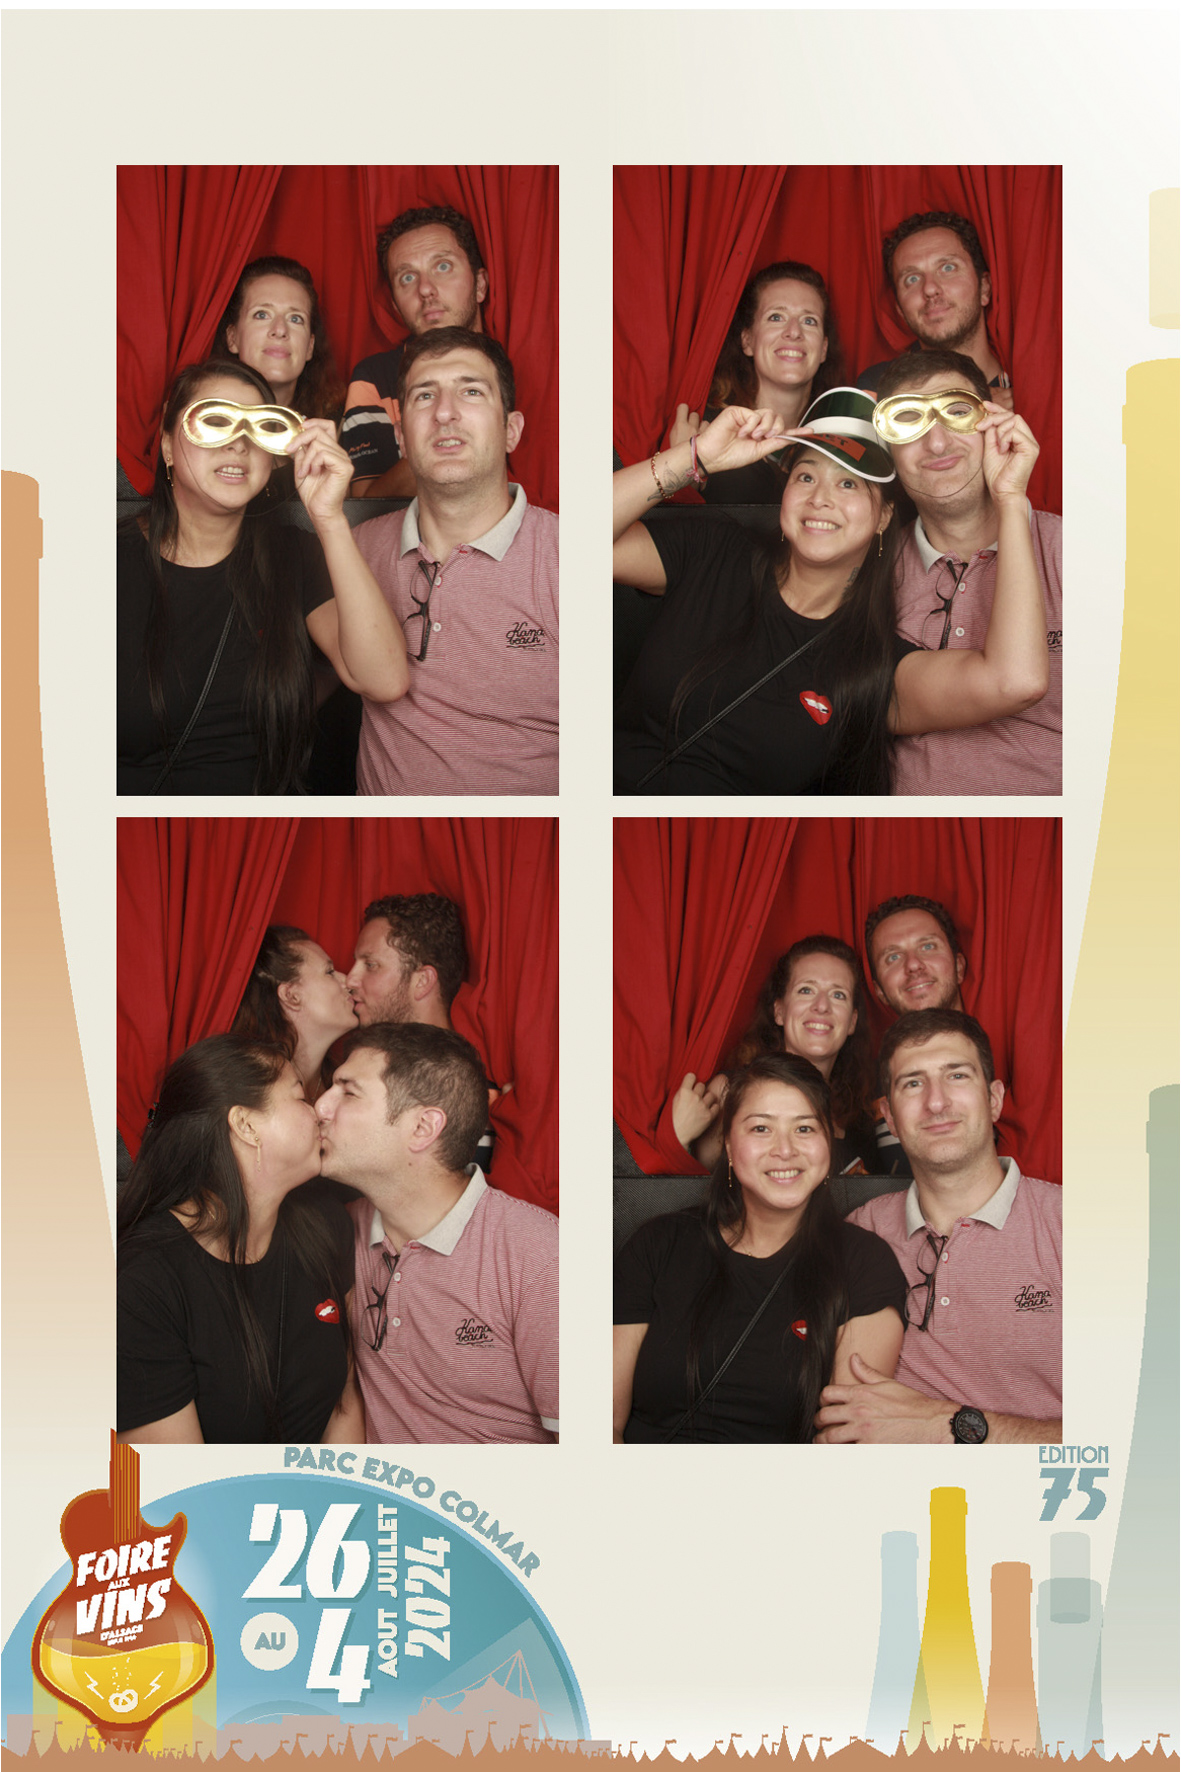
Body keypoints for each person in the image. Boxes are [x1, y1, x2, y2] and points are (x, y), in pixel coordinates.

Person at [613, 386, 1048, 795]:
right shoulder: (715, 551)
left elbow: (1016, 682)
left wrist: (1010, 499)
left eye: (849, 483)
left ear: (883, 517)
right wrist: (696, 457)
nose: (820, 497)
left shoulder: (874, 669)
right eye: (806, 476)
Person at [117, 359, 409, 795]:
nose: (238, 444)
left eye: (260, 429)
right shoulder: (104, 561)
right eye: (216, 421)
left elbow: (384, 680)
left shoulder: (295, 554)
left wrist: (329, 517)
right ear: (168, 447)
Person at [613, 1054, 906, 1443]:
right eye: (761, 1128)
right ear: (729, 1145)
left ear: (827, 1146)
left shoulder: (863, 1264)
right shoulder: (658, 1245)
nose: (784, 1149)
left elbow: (847, 1440)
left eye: (804, 1128)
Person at [815, 1010, 1061, 1445]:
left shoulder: (1073, 1227)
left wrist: (945, 1425)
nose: (935, 1102)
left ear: (994, 1099)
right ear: (889, 1117)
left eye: (957, 1076)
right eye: (913, 1083)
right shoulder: (860, 1230)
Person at [316, 1024, 558, 1444]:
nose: (320, 1106)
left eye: (348, 1092)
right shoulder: (336, 1233)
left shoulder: (539, 1256)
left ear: (423, 1128)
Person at [117, 1035, 361, 1444]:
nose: (319, 1109)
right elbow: (174, 1479)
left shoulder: (324, 1222)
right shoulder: (143, 1283)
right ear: (246, 1125)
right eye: (301, 1097)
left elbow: (346, 1401)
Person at [351, 328, 558, 796]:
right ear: (401, 437)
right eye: (425, 395)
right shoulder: (357, 551)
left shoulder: (564, 555)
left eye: (471, 391)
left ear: (511, 430)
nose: (445, 412)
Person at [874, 350, 1062, 795]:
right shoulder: (868, 575)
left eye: (957, 412)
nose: (937, 443)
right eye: (909, 420)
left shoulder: (1079, 552)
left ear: (994, 422)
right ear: (889, 450)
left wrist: (1011, 497)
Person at [671, 935, 880, 1176]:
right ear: (779, 1011)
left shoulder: (862, 1114)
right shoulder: (728, 1093)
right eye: (806, 990)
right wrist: (679, 1138)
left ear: (852, 1021)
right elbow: (694, 1189)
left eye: (838, 995)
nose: (822, 1006)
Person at [347, 893, 502, 1172]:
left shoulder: (480, 1101)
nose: (350, 979)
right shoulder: (348, 1083)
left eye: (370, 965)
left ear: (422, 981)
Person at [343, 204, 489, 498]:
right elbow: (366, 504)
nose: (425, 289)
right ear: (396, 306)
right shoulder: (376, 377)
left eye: (443, 267)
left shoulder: (513, 367)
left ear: (480, 285)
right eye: (407, 277)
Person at [667, 261, 842, 504]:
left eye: (809, 321)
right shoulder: (706, 431)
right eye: (776, 317)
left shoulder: (839, 438)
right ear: (747, 340)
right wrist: (685, 471)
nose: (794, 332)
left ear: (823, 348)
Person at [856, 211, 1013, 407]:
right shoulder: (878, 386)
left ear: (985, 288)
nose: (930, 289)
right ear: (900, 309)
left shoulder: (1031, 382)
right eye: (912, 279)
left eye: (948, 268)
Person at [863, 894, 969, 1175]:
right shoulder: (868, 1087)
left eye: (928, 946)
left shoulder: (1004, 1059)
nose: (912, 965)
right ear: (879, 991)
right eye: (893, 957)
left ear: (959, 966)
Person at [233, 925, 358, 1100]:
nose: (348, 982)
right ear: (291, 996)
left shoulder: (345, 1079)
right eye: (329, 972)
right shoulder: (251, 1089)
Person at [215, 255, 343, 419]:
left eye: (295, 319)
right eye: (262, 315)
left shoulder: (344, 424)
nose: (280, 330)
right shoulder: (196, 417)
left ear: (310, 347)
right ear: (232, 337)